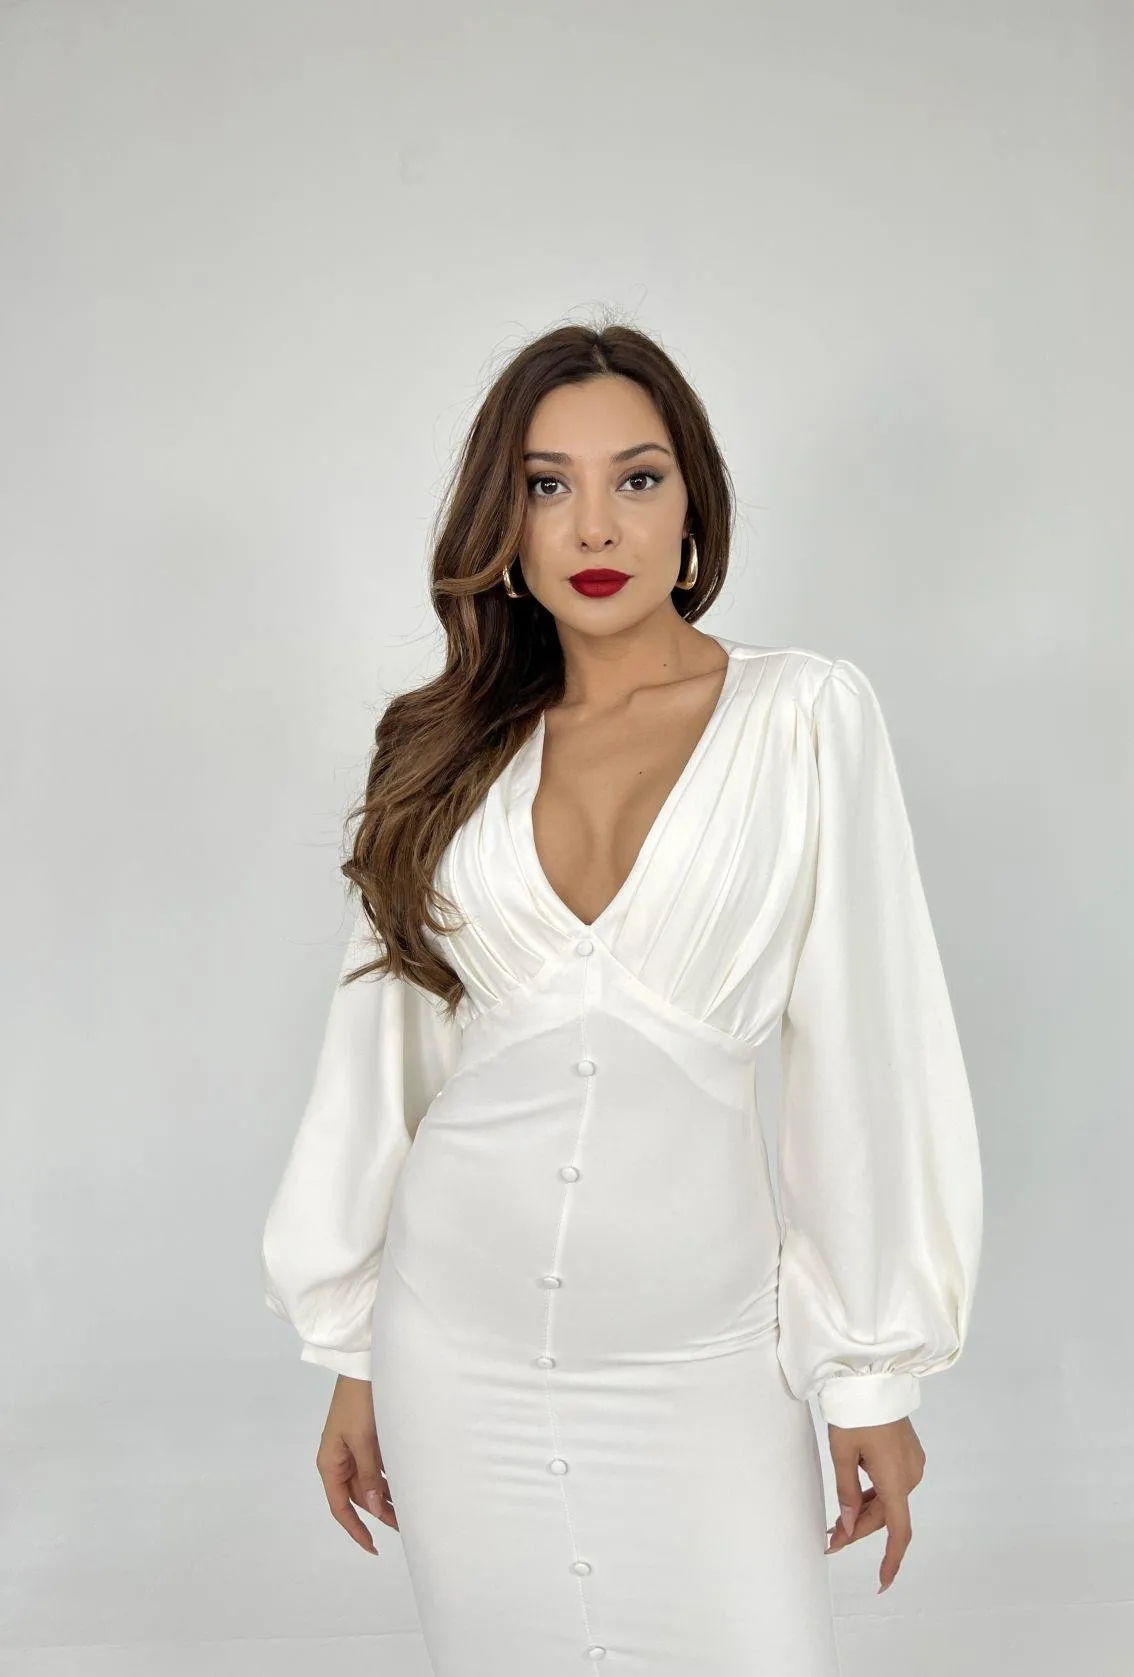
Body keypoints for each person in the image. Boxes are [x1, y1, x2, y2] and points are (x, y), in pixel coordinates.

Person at [261, 321, 984, 1676]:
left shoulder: (801, 717)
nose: (594, 524)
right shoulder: (442, 747)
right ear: (505, 521)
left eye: (637, 479)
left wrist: (868, 1371)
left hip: (703, 1360)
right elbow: (382, 1062)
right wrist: (351, 1348)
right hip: (451, 1350)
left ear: (693, 506)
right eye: (547, 485)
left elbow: (869, 1050)